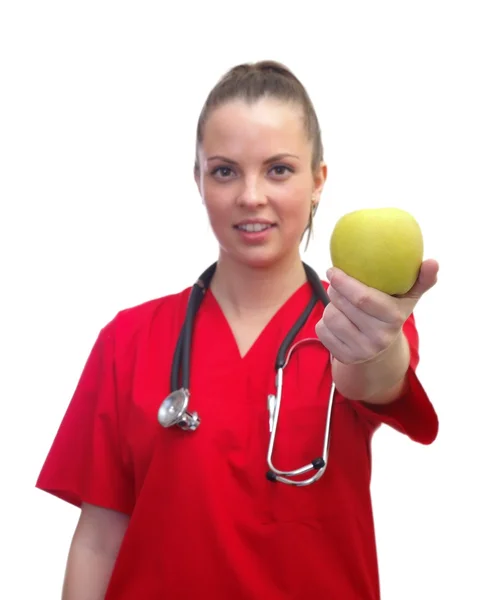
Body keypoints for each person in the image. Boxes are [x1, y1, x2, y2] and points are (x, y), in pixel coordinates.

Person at [36, 60, 440, 600]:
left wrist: (376, 348)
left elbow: (375, 379)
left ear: (318, 181)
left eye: (279, 170)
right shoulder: (128, 340)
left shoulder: (355, 325)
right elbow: (98, 541)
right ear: (198, 179)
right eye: (225, 170)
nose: (251, 196)